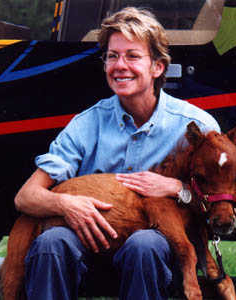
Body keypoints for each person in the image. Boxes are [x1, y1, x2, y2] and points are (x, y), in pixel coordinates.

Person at [14, 7, 220, 300]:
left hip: (153, 258)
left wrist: (178, 188)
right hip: (88, 248)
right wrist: (67, 206)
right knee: (52, 241)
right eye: (112, 56)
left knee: (145, 244)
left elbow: (221, 203)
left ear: (157, 67)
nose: (119, 65)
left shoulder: (196, 127)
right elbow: (26, 196)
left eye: (132, 56)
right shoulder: (86, 124)